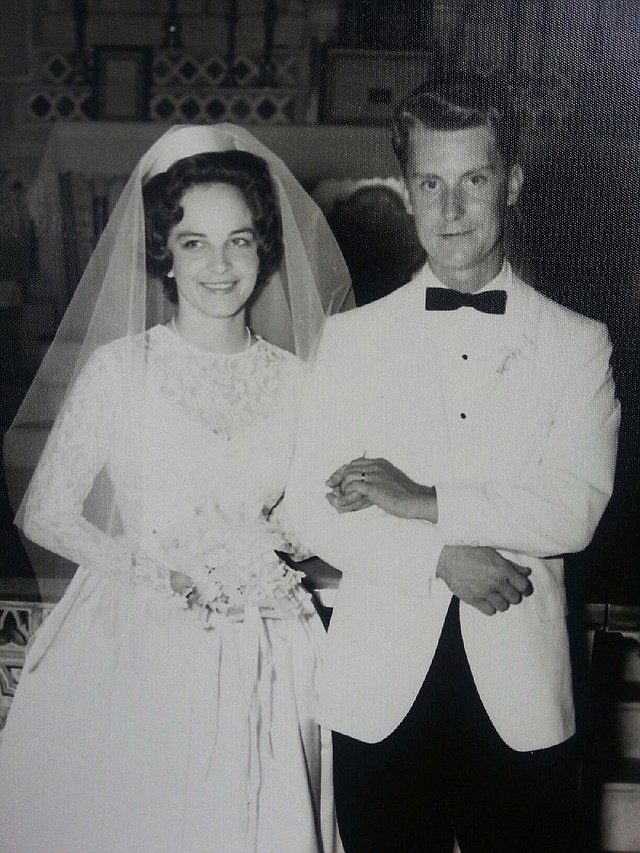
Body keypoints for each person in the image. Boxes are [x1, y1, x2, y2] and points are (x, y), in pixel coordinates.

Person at [284, 76, 620, 852]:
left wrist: (421, 497)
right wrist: (441, 556)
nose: (452, 209)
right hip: (379, 690)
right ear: (406, 192)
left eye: (474, 180)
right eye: (430, 184)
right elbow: (308, 505)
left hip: (523, 692)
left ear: (513, 183)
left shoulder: (578, 343)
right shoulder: (353, 340)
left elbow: (572, 507)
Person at [0, 124, 352, 853]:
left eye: (240, 240)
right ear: (165, 252)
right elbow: (46, 509)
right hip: (134, 642)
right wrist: (155, 568)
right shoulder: (120, 369)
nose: (219, 264)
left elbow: (309, 517)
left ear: (266, 249)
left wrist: (275, 540)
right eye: (195, 242)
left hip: (266, 648)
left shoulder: (300, 382)